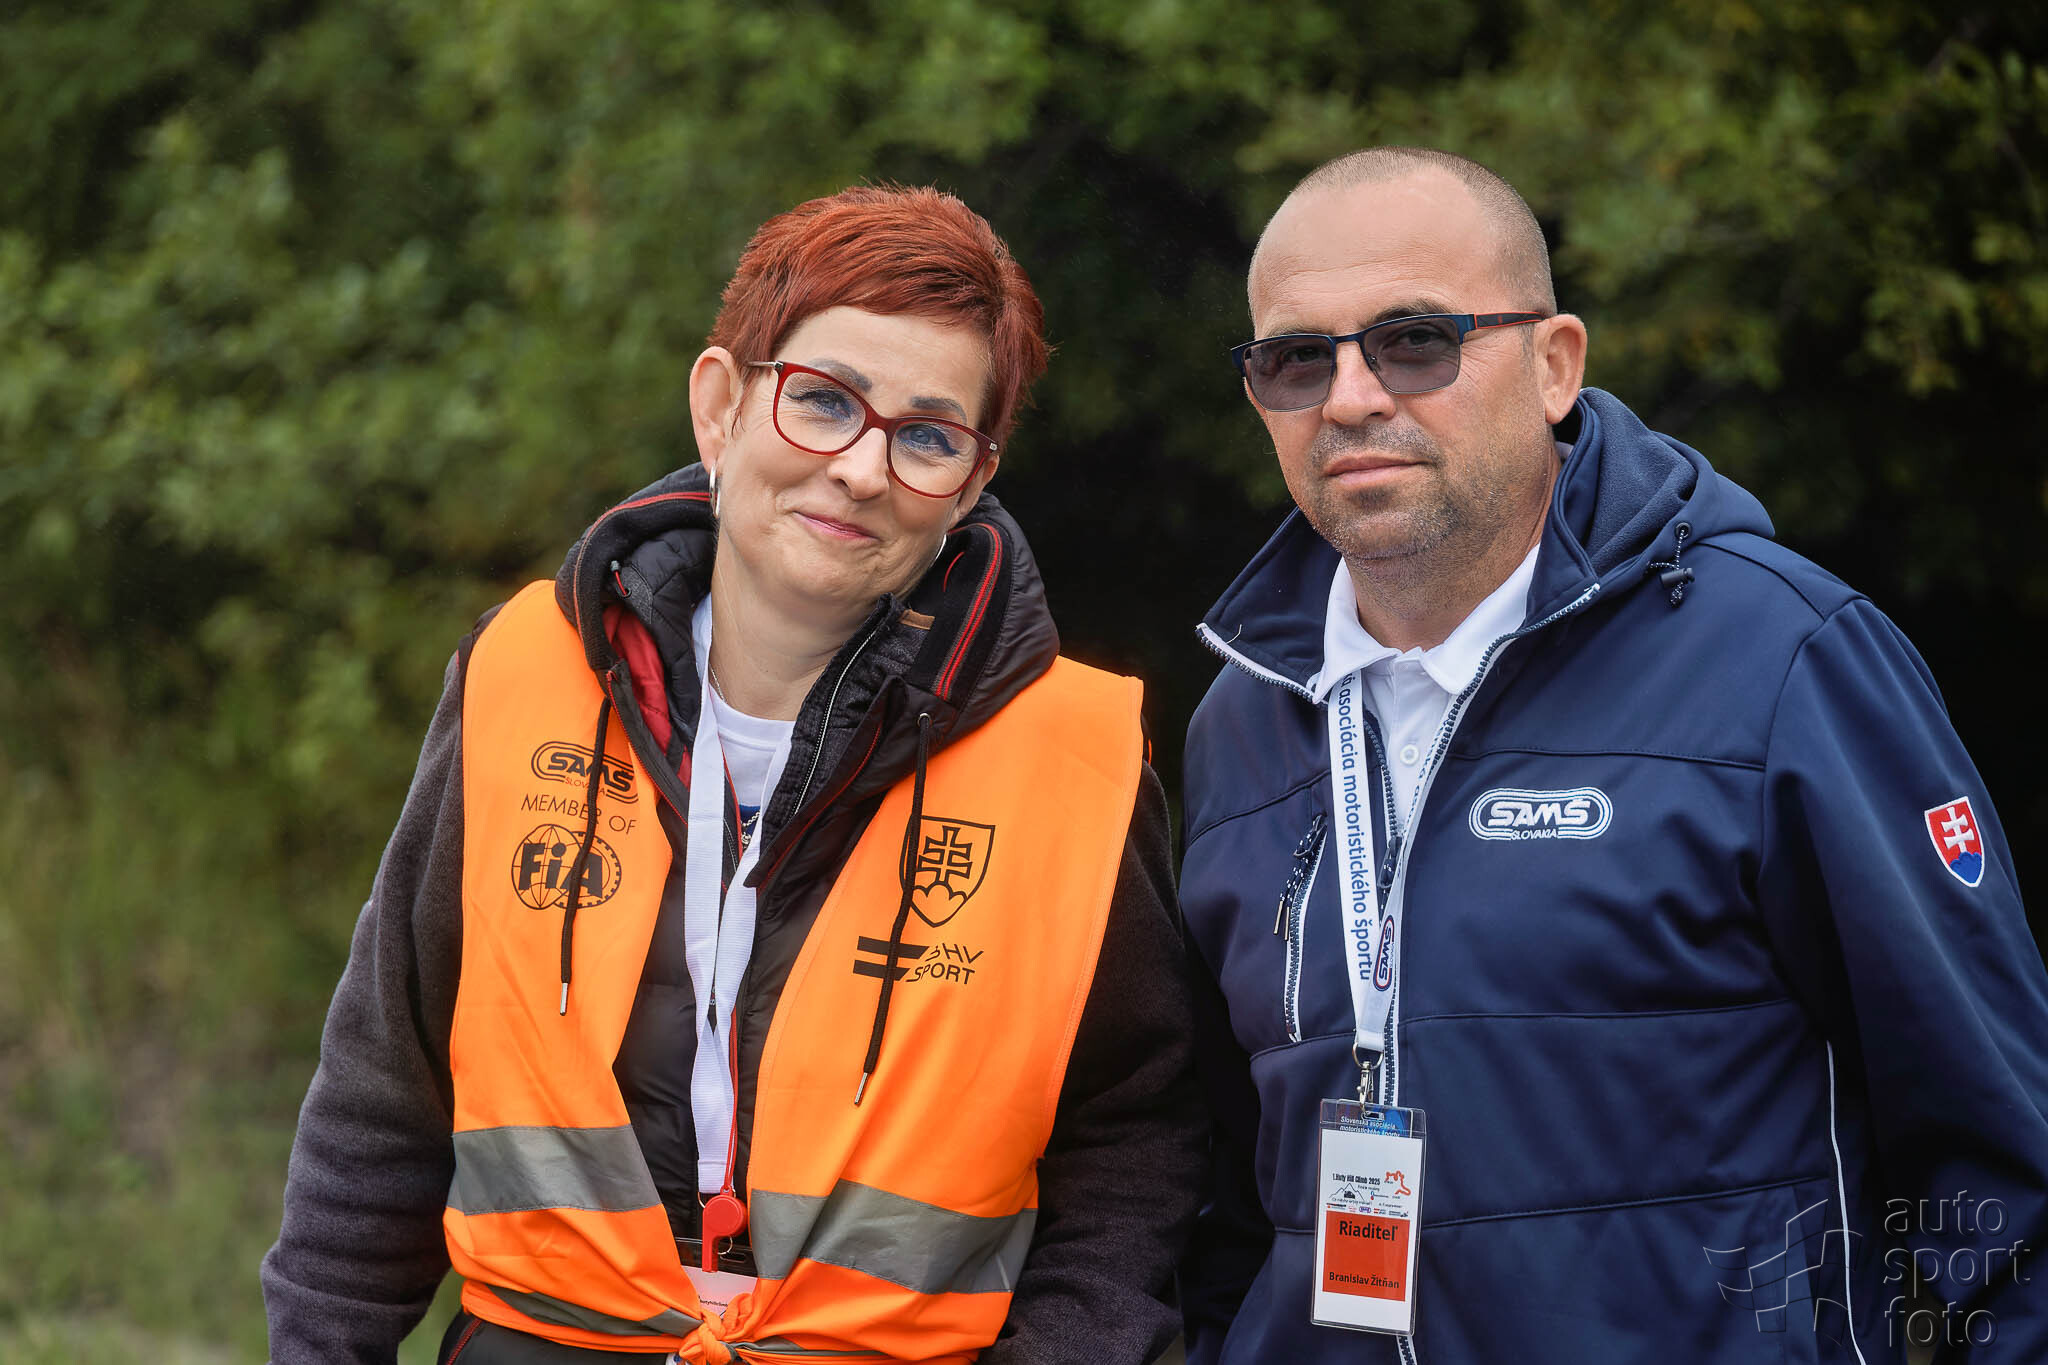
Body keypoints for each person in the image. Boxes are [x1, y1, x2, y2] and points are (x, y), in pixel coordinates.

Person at [262, 184, 1204, 1365]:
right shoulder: (523, 676)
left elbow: (1133, 1146)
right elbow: (383, 1089)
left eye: (926, 436)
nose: (860, 469)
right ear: (719, 406)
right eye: (822, 401)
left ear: (970, 485)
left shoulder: (1070, 757)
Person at [1176, 146, 2048, 1363]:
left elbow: (2000, 1169)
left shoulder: (1779, 659)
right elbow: (1228, 1191)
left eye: (1414, 341)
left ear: (1553, 366)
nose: (1351, 396)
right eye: (1295, 359)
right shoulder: (1241, 718)